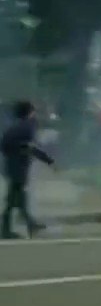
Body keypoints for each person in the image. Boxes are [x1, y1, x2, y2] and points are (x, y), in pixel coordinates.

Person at [1, 100, 53, 239]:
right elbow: (31, 148)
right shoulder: (28, 127)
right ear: (30, 112)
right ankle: (17, 228)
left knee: (15, 199)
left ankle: (28, 224)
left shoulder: (14, 127)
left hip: (12, 166)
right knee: (15, 199)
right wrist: (48, 160)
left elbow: (5, 145)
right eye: (34, 111)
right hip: (18, 168)